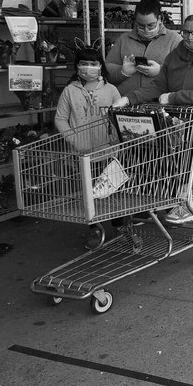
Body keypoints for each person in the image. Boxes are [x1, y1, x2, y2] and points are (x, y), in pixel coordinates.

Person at [112, 13, 193, 241]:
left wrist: (172, 98)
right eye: (186, 32)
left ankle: (181, 201)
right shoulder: (176, 55)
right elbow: (158, 86)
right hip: (186, 120)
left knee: (183, 151)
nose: (190, 37)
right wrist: (128, 99)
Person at [54, 44, 121, 249]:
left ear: (101, 66)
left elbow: (119, 118)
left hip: (109, 152)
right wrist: (75, 140)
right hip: (83, 155)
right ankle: (95, 229)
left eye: (93, 63)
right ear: (77, 67)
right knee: (89, 195)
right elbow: (60, 119)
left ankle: (122, 227)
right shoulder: (69, 91)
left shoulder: (111, 90)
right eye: (84, 64)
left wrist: (117, 140)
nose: (89, 67)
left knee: (115, 192)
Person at [105, 0, 182, 96]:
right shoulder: (124, 39)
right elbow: (107, 69)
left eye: (150, 25)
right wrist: (122, 72)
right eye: (140, 25)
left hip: (159, 102)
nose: (146, 29)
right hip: (125, 100)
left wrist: (161, 70)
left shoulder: (174, 39)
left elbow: (184, 71)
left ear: (160, 19)